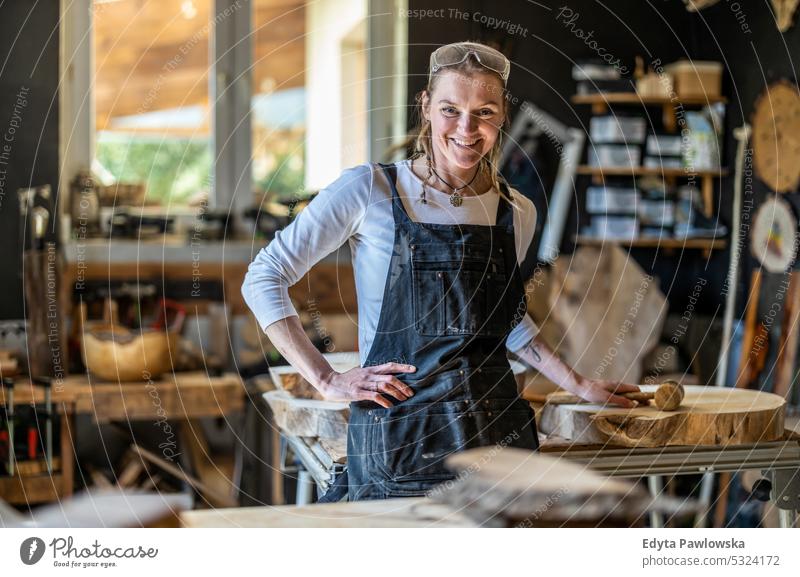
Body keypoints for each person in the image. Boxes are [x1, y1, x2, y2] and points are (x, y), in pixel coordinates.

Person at [242, 41, 640, 502]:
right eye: (451, 109)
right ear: (426, 106)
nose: (467, 129)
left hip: (498, 435)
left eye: (484, 112)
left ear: (503, 115)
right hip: (402, 439)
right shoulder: (369, 190)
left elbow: (497, 315)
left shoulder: (517, 211)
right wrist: (327, 379)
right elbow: (263, 276)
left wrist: (576, 382)